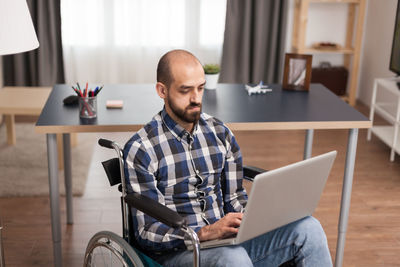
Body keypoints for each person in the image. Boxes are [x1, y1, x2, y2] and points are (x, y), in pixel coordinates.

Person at [123, 49, 333, 267]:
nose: (196, 98)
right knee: (233, 258)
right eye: (185, 90)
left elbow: (234, 199)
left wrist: (262, 217)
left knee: (308, 228)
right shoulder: (142, 149)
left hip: (228, 242)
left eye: (200, 88)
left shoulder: (220, 133)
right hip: (180, 252)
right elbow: (147, 232)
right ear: (162, 90)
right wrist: (205, 233)